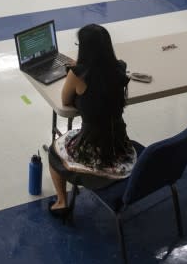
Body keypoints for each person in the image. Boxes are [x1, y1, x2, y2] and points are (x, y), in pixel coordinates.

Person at [47, 23, 136, 220]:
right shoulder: (120, 68)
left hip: (94, 151)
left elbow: (65, 101)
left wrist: (75, 69)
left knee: (54, 152)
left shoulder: (79, 75)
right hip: (119, 144)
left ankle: (61, 202)